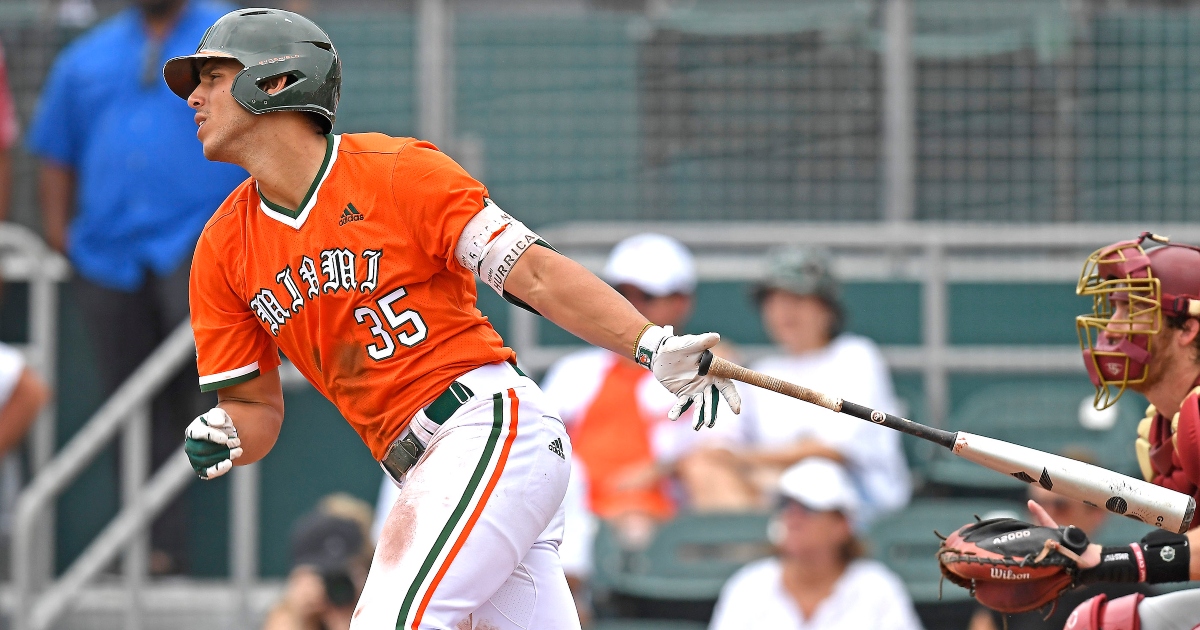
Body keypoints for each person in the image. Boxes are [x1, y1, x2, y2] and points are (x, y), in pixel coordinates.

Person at [163, 9, 740, 629]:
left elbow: (535, 273)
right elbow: (256, 411)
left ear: (276, 81)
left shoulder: (396, 171)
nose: (194, 95)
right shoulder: (223, 247)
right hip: (420, 468)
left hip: (484, 426)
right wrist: (228, 431)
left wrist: (648, 343)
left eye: (214, 76)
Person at [25, 0, 247, 575]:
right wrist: (60, 238)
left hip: (200, 251)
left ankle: (182, 550)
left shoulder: (230, 36)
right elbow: (55, 152)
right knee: (127, 405)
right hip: (108, 257)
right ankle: (154, 553)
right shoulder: (87, 57)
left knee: (206, 395)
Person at [949, 233, 1200, 627]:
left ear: (1186, 328)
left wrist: (1105, 559)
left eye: (1131, 310)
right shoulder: (1163, 427)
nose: (1113, 329)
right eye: (1114, 309)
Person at [691, 246, 910, 523]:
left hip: (859, 503)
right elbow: (719, 444)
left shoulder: (856, 355)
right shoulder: (763, 371)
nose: (784, 311)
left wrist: (744, 460)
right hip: (778, 494)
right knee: (704, 468)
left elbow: (830, 451)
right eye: (774, 300)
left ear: (827, 309)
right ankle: (754, 561)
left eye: (797, 298)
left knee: (815, 475)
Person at [708, 457, 922, 630]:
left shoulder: (878, 588)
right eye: (786, 505)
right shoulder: (748, 586)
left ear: (842, 525)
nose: (792, 517)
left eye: (808, 508)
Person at [966, 449, 1152, 630]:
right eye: (1036, 505)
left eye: (1060, 506)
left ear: (1097, 512)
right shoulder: (1010, 582)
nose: (1043, 515)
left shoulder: (1128, 591)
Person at [264, 494, 375, 630]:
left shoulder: (382, 607)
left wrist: (352, 618)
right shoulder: (289, 616)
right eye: (322, 575)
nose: (334, 586)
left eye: (343, 574)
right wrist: (299, 618)